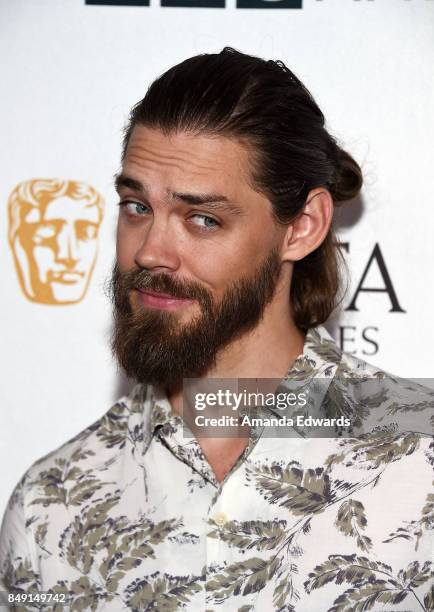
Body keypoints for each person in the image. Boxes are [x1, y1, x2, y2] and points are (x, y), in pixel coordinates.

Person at [1, 48, 432, 612]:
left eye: (202, 219)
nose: (151, 251)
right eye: (136, 206)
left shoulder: (418, 465)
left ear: (302, 227)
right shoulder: (51, 504)